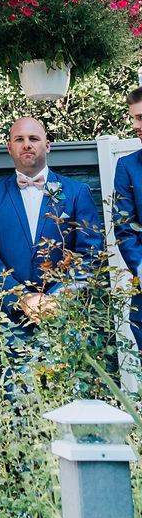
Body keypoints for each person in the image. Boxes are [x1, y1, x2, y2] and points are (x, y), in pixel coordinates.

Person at [0, 116, 104, 336]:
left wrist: (57, 298)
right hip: (11, 323)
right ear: (9, 148)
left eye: (33, 138)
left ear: (47, 145)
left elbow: (90, 254)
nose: (27, 144)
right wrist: (23, 297)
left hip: (66, 318)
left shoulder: (76, 192)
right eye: (19, 139)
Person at [112, 86, 142, 349]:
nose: (135, 126)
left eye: (140, 118)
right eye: (133, 118)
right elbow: (124, 227)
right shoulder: (127, 167)